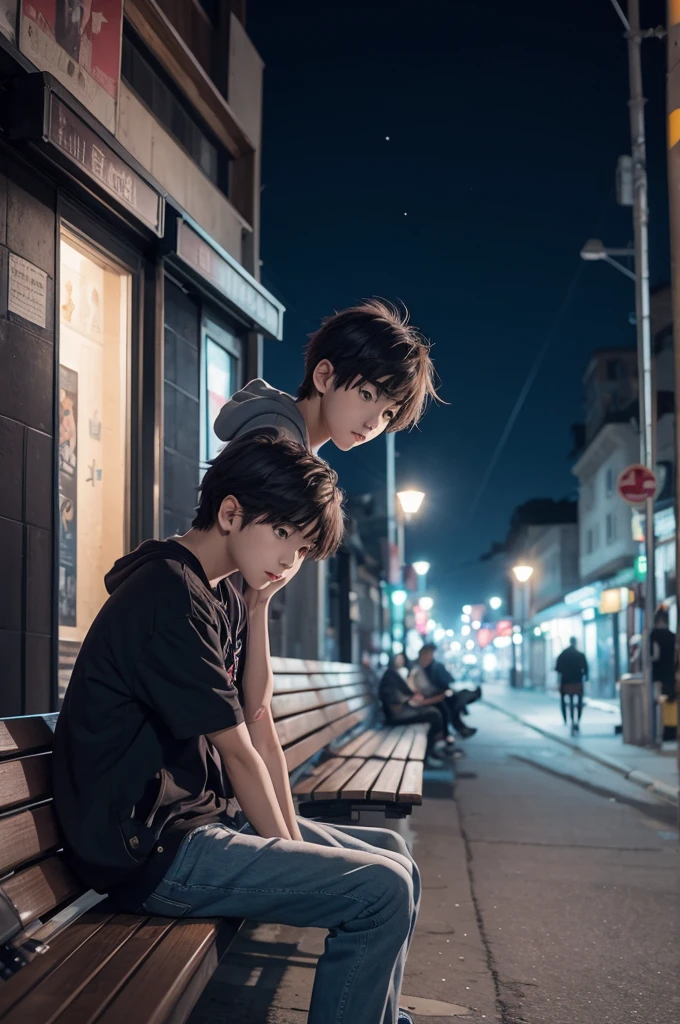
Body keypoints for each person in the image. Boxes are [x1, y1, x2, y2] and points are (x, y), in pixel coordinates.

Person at [53, 431, 420, 1024]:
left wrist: (257, 607)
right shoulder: (170, 594)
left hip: (195, 826)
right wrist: (295, 854)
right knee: (379, 891)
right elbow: (241, 753)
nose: (288, 560)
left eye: (302, 548)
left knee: (395, 857)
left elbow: (255, 708)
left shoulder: (220, 590)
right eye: (283, 534)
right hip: (152, 852)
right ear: (231, 512)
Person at [214, 299, 438, 454]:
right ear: (324, 376)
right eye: (367, 395)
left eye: (388, 413)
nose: (373, 423)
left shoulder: (295, 443)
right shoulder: (277, 446)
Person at [378, 654, 452, 767]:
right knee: (434, 714)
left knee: (435, 710)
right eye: (397, 658)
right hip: (395, 715)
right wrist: (411, 698)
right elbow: (396, 700)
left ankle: (432, 749)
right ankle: (428, 754)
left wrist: (412, 697)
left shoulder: (397, 673)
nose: (400, 661)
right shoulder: (391, 674)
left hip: (398, 711)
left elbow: (404, 693)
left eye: (401, 658)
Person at [410, 644, 478, 740]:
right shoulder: (418, 668)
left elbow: (447, 683)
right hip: (426, 698)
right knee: (445, 703)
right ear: (422, 654)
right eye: (428, 653)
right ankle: (453, 731)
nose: (430, 656)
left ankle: (454, 730)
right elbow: (412, 686)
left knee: (449, 701)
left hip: (434, 696)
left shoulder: (434, 667)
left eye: (431, 653)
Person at [650, 606, 678, 742]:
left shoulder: (653, 635)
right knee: (670, 702)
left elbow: (652, 656)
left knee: (657, 702)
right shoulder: (673, 637)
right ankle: (670, 731)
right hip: (670, 675)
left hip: (656, 676)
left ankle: (658, 731)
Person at [555, 637, 588, 735]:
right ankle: (577, 720)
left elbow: (558, 669)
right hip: (577, 681)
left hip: (565, 681)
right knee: (579, 701)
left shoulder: (563, 654)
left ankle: (566, 719)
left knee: (563, 700)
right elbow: (586, 669)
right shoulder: (580, 655)